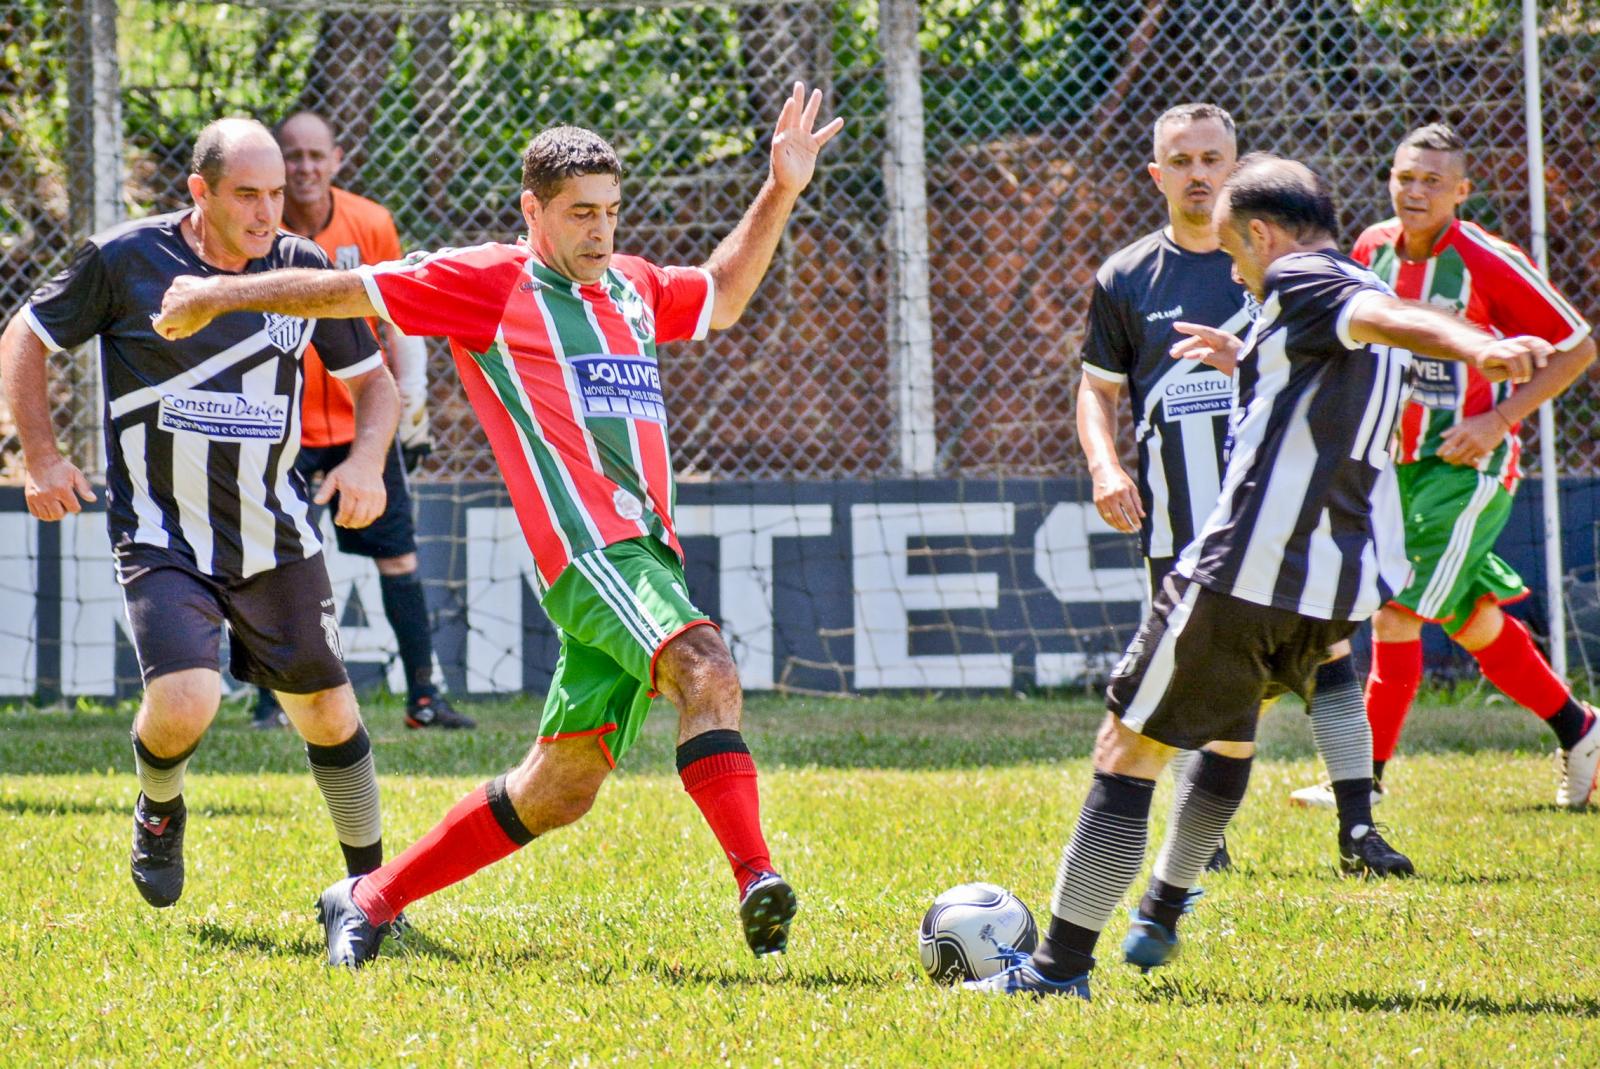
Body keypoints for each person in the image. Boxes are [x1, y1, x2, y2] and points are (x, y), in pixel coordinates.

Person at [154, 83, 844, 967]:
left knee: (558, 791)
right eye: (580, 214)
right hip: (594, 554)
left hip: (647, 558)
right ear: (534, 211)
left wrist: (781, 187)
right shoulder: (491, 283)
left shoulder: (627, 286)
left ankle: (367, 898)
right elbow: (346, 287)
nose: (601, 231)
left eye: (611, 212)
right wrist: (218, 293)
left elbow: (722, 294)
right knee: (704, 665)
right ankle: (758, 879)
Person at [967, 155, 1548, 999]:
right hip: (1328, 593)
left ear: (1263, 234)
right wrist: (1251, 355)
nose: (1231, 267)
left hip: (1244, 571)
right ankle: (1162, 906)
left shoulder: (1311, 280)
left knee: (1126, 748)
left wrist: (1481, 347)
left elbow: (1386, 316)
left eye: (1234, 251)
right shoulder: (1337, 278)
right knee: (1231, 734)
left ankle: (1057, 970)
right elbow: (1341, 360)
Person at [0, 117, 399, 909]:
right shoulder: (128, 259)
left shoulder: (300, 266)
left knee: (327, 711)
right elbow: (26, 334)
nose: (266, 214)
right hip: (159, 530)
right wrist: (39, 456)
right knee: (187, 700)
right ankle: (159, 805)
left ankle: (374, 887)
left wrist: (365, 461)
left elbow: (375, 383)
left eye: (277, 195)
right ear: (200, 193)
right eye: (247, 195)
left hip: (275, 529)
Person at [1079, 103, 1407, 879]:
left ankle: (1359, 827)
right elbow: (1096, 391)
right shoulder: (1127, 276)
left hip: (1287, 509)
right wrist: (1104, 465)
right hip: (1185, 513)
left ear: (1238, 171)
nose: (1198, 174)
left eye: (1212, 159)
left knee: (1330, 654)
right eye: (1182, 161)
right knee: (1203, 678)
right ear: (1157, 174)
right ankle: (1204, 842)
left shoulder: (1289, 266)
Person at [1291, 123, 1599, 809]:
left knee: (1393, 611)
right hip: (1390, 469)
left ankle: (1361, 783)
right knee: (1470, 619)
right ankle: (1579, 729)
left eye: (1433, 180)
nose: (1416, 190)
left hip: (1466, 470)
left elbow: (1577, 348)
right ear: (1389, 180)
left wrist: (1497, 419)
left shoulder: (1488, 260)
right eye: (1406, 176)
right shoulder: (1369, 248)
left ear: (1462, 191)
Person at [248, 110, 474, 731]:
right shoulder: (251, 230)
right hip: (279, 429)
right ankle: (271, 702)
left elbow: (399, 320)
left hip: (361, 426)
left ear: (338, 159)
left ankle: (424, 697)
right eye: (292, 156)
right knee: (272, 563)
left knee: (398, 556)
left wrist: (413, 411)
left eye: (316, 155)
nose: (305, 167)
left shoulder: (371, 223)